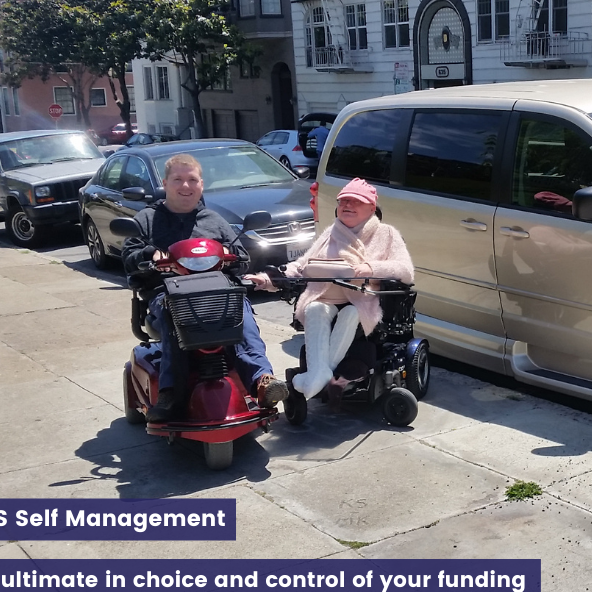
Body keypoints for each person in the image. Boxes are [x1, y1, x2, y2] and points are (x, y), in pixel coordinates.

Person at [122, 154, 288, 423]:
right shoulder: (146, 220)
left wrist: (229, 254)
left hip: (218, 293)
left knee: (242, 313)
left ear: (201, 184)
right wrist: (149, 255)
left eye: (192, 180)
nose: (185, 186)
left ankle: (262, 381)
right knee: (173, 315)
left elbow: (241, 258)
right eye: (178, 179)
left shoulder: (214, 219)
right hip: (168, 294)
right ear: (165, 182)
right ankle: (170, 393)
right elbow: (129, 260)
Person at [246, 178, 413, 399]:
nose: (348, 205)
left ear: (372, 207)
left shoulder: (387, 234)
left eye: (356, 201)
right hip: (324, 297)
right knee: (314, 308)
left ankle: (311, 378)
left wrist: (370, 267)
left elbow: (405, 270)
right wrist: (269, 279)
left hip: (362, 300)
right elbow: (302, 265)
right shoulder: (331, 233)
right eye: (343, 200)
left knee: (351, 313)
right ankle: (323, 375)